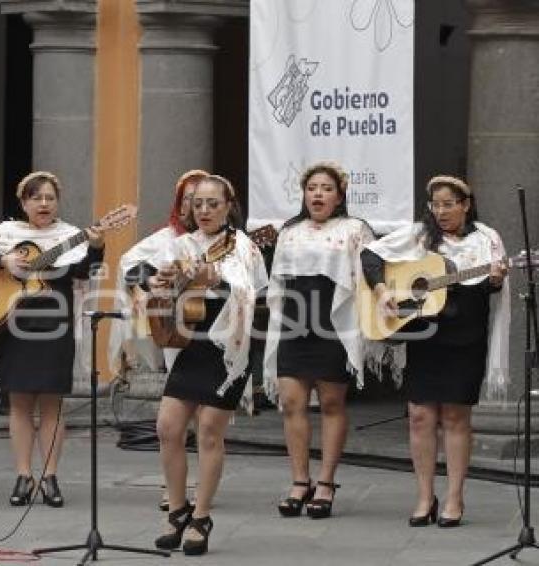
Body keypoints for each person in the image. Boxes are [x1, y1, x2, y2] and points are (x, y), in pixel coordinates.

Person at [0, 171, 105, 508]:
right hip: (16, 324)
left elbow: (84, 272)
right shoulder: (5, 234)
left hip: (55, 324)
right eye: (36, 198)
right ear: (24, 203)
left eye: (49, 197)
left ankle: (49, 475)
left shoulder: (71, 236)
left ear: (57, 201)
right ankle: (23, 474)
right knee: (19, 402)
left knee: (51, 404)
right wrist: (3, 260)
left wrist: (98, 246)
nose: (43, 204)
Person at [362, 175, 510, 527]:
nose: (441, 211)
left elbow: (490, 289)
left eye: (448, 204)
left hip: (465, 337)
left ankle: (455, 497)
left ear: (465, 205)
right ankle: (425, 496)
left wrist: (495, 279)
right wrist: (383, 291)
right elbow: (370, 256)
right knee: (420, 416)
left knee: (456, 418)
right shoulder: (419, 236)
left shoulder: (486, 239)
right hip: (424, 336)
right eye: (435, 205)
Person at [144, 175, 268, 555]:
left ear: (228, 206)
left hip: (227, 347)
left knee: (210, 430)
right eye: (198, 204)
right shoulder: (180, 245)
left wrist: (216, 282)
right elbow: (153, 285)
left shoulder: (245, 246)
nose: (205, 210)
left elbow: (252, 294)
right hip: (189, 342)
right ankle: (178, 509)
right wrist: (161, 282)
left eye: (213, 203)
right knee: (168, 427)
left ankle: (201, 515)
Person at [263, 161, 374, 520]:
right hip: (295, 321)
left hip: (333, 323)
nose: (318, 194)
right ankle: (300, 480)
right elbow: (277, 283)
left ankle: (325, 483)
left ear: (339, 195)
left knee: (330, 403)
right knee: (292, 402)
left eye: (326, 188)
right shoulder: (290, 231)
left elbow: (371, 273)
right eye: (312, 188)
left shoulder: (355, 229)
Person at [107, 169, 207, 512]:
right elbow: (130, 266)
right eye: (189, 201)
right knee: (174, 418)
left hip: (213, 333)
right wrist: (151, 286)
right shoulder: (165, 240)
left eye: (203, 201)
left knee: (207, 420)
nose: (195, 208)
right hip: (178, 332)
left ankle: (204, 490)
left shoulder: (225, 241)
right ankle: (175, 487)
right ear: (179, 206)